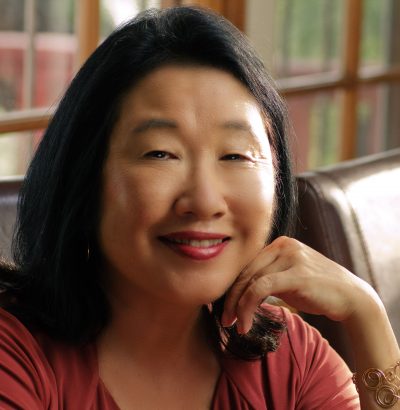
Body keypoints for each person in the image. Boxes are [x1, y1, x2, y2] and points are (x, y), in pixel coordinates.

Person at [0, 6, 398, 410]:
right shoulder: (14, 356)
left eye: (236, 155)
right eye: (160, 153)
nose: (205, 202)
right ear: (83, 176)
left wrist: (368, 316)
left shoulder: (291, 361)